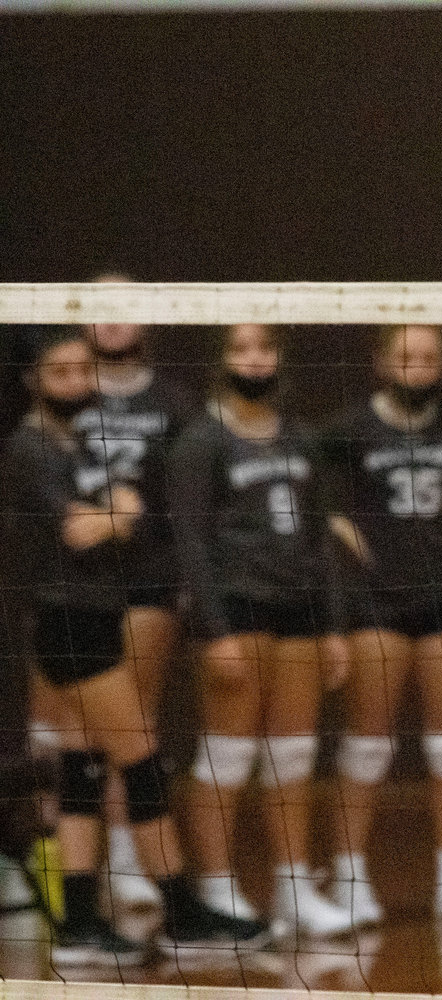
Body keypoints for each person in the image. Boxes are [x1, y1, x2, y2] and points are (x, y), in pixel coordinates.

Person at [3, 329, 271, 965]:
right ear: (32, 381)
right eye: (60, 372)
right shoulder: (32, 449)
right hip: (73, 625)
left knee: (82, 773)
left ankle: (77, 924)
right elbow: (78, 532)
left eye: (82, 370)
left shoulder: (68, 446)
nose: (76, 382)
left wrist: (112, 510)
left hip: (83, 618)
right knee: (142, 765)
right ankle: (181, 911)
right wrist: (121, 512)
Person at [320, 324, 442, 924]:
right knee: (369, 743)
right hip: (377, 602)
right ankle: (348, 872)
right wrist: (348, 535)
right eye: (406, 356)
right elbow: (315, 494)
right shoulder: (351, 428)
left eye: (430, 358)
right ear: (382, 363)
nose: (419, 367)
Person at [170, 323, 350, 938]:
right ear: (221, 360)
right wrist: (214, 629)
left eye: (265, 348)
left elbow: (320, 535)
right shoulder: (201, 442)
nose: (254, 360)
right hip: (236, 608)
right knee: (227, 755)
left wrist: (333, 624)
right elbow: (189, 541)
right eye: (241, 349)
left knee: (294, 755)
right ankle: (218, 889)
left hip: (299, 607)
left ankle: (293, 887)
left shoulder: (301, 438)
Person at [78, 272, 195, 912]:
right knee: (66, 727)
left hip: (145, 578)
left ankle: (127, 850)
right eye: (99, 308)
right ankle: (58, 859)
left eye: (125, 309)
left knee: (134, 718)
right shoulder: (58, 391)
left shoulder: (175, 406)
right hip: (70, 582)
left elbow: (185, 506)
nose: (113, 320)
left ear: (147, 320)